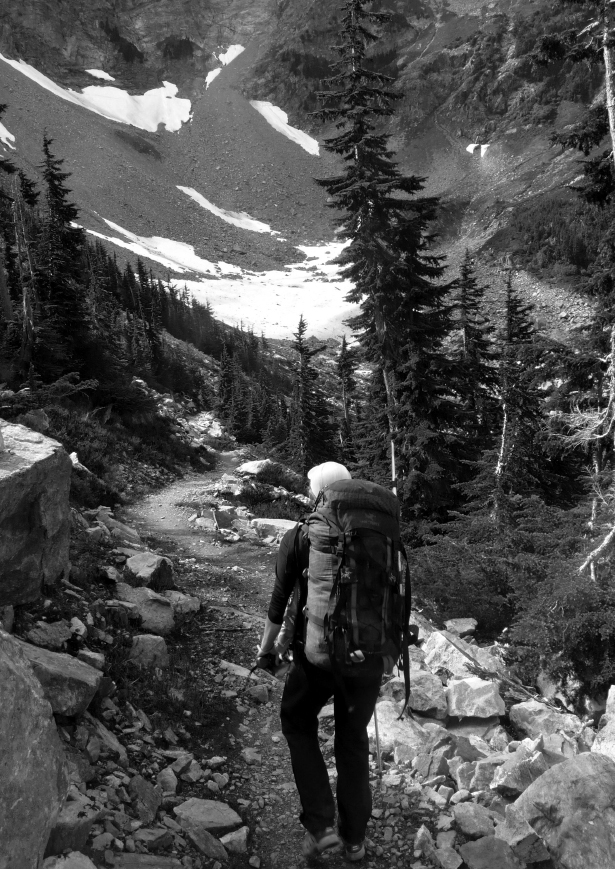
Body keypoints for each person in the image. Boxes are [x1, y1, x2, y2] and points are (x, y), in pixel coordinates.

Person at [256, 461, 383, 862]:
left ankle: (320, 823)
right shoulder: (380, 535)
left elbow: (280, 600)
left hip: (318, 656)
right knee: (352, 739)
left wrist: (266, 649)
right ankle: (355, 838)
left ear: (321, 492)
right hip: (367, 657)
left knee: (297, 721)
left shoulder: (302, 534)